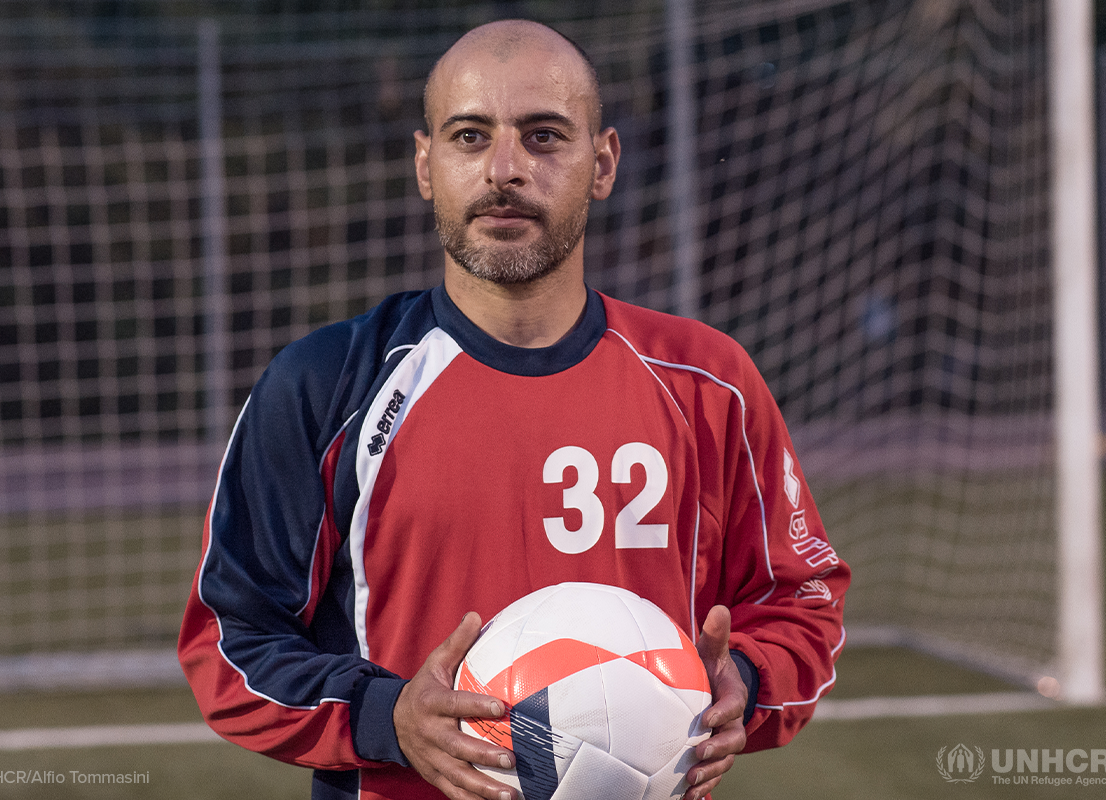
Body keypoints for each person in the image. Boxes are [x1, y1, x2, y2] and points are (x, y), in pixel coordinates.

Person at [178, 19, 849, 800]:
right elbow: (231, 643)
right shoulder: (326, 388)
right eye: (470, 137)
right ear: (426, 164)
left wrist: (747, 681)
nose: (505, 169)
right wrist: (385, 716)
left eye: (543, 137)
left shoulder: (707, 382)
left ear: (602, 164)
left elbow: (801, 601)